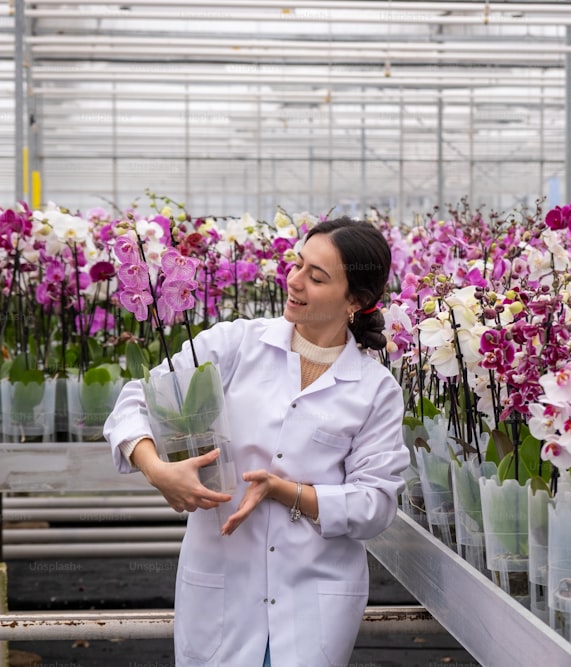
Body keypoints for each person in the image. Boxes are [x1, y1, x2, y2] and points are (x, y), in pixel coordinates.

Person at [103, 216, 410, 667]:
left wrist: (284, 491)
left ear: (356, 301)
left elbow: (375, 505)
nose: (295, 280)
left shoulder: (375, 388)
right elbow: (135, 402)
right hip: (222, 592)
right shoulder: (233, 345)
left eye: (316, 276)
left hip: (313, 606)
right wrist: (158, 469)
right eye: (298, 264)